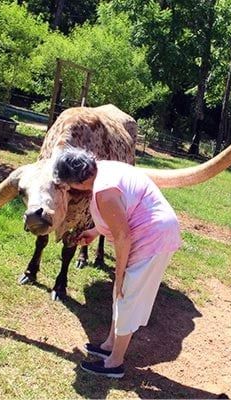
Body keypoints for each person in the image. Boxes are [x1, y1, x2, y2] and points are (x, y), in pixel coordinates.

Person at [52, 148, 181, 379]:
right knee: (121, 293)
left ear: (80, 181)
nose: (69, 189)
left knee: (126, 294)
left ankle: (115, 363)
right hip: (149, 233)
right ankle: (109, 345)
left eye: (68, 185)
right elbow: (120, 215)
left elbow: (123, 236)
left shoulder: (104, 191)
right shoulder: (103, 170)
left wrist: (119, 274)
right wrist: (93, 231)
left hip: (153, 237)